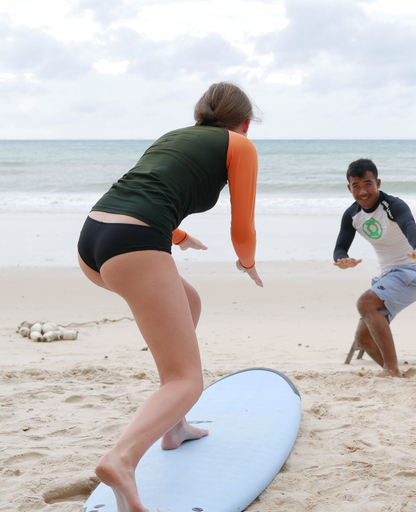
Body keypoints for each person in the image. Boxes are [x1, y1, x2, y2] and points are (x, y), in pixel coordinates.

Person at [76, 82, 263, 512]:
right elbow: (243, 226)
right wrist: (247, 262)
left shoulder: (175, 136)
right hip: (133, 244)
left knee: (189, 301)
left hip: (93, 239)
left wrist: (178, 235)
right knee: (186, 379)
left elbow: (145, 190)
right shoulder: (240, 145)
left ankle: (175, 426)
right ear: (246, 123)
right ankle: (121, 459)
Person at [334, 158, 416, 378]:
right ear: (349, 187)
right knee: (363, 339)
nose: (362, 191)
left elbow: (409, 225)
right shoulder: (352, 215)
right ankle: (395, 375)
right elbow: (340, 247)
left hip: (412, 271)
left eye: (368, 184)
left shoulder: (393, 206)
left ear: (377, 182)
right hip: (387, 276)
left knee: (365, 302)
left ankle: (391, 368)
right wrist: (342, 260)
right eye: (356, 186)